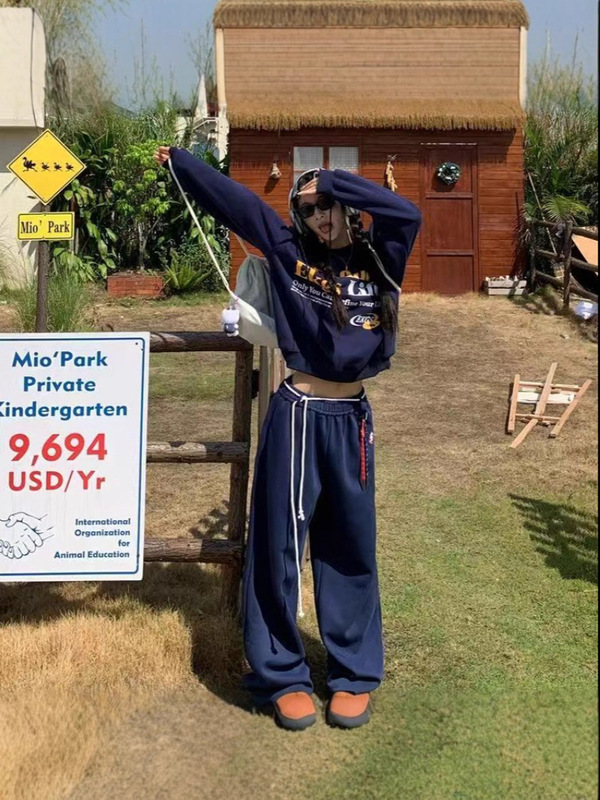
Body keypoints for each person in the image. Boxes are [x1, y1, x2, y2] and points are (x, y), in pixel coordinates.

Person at [154, 145, 422, 730]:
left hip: (351, 419)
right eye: (309, 209)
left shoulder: (380, 259)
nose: (320, 217)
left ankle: (354, 673)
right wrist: (184, 163)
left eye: (328, 206)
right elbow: (239, 205)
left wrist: (335, 182)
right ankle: (281, 673)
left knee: (350, 545)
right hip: (298, 414)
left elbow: (407, 213)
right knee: (278, 545)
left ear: (347, 206)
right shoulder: (288, 253)